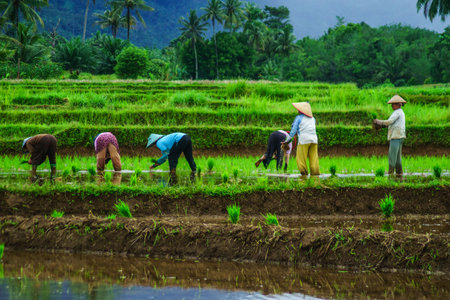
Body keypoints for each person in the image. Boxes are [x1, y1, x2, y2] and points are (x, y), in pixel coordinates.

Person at [373, 95, 406, 178]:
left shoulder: (398, 112)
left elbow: (389, 122)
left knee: (392, 156)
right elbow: (391, 124)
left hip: (396, 136)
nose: (392, 106)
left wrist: (378, 122)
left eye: (394, 104)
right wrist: (382, 125)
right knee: (398, 157)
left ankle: (390, 173)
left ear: (399, 104)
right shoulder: (399, 112)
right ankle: (399, 173)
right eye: (392, 104)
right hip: (399, 136)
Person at [283, 102, 320, 176]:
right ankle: (315, 177)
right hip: (314, 140)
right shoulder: (313, 119)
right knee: (314, 159)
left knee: (301, 160)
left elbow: (293, 132)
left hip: (304, 140)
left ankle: (304, 176)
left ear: (301, 111)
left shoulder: (298, 118)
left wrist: (286, 141)